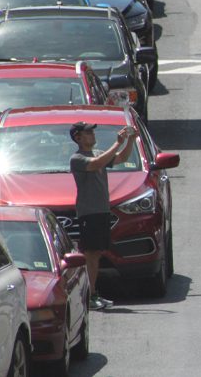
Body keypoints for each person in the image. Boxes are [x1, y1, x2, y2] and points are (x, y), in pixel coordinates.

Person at [70, 121, 138, 310]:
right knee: (90, 255)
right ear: (78, 138)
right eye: (88, 133)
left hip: (101, 211)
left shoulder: (99, 153)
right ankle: (89, 295)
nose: (92, 135)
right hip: (89, 212)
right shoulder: (77, 158)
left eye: (92, 132)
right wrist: (117, 142)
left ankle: (93, 292)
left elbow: (121, 158)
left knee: (97, 254)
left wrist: (130, 140)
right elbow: (96, 164)